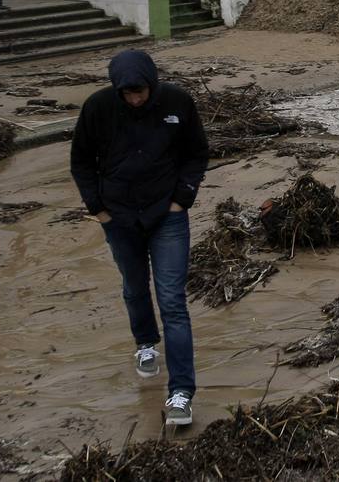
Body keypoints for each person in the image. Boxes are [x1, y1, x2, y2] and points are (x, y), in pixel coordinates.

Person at [71, 50, 209, 427]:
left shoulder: (177, 102)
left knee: (173, 301)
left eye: (140, 91)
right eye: (127, 93)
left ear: (152, 83)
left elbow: (197, 153)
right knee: (134, 286)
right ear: (117, 89)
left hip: (167, 215)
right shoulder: (98, 108)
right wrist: (97, 208)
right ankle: (145, 344)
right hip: (118, 217)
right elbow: (81, 162)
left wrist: (183, 199)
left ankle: (181, 392)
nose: (135, 99)